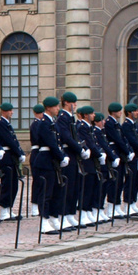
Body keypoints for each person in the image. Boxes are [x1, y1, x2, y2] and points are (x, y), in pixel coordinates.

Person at [32, 96, 69, 234]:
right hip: (46, 161)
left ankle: (54, 218)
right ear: (48, 108)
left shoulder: (53, 122)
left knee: (55, 191)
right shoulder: (43, 123)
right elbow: (51, 143)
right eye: (56, 106)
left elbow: (57, 142)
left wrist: (62, 156)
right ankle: (44, 222)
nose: (58, 109)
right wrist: (61, 156)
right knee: (46, 193)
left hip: (53, 160)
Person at [55, 91, 86, 229]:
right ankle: (63, 214)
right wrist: (79, 149)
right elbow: (66, 137)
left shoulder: (70, 118)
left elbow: (75, 135)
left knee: (74, 186)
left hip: (73, 154)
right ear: (66, 103)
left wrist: (81, 147)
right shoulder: (62, 117)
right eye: (73, 103)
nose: (75, 105)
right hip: (68, 152)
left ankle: (70, 214)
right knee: (67, 187)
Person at [0, 102, 25, 220]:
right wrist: (18, 152)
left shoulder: (7, 124)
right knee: (7, 184)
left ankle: (9, 208)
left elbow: (15, 141)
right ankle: (4, 210)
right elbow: (9, 141)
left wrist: (20, 152)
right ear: (4, 111)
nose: (12, 112)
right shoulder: (1, 124)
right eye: (10, 111)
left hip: (12, 157)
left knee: (13, 184)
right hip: (6, 157)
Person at [103, 102, 132, 217]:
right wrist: (126, 150)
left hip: (120, 153)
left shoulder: (116, 124)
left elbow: (122, 138)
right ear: (114, 112)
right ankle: (111, 207)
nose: (121, 112)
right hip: (115, 151)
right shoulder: (109, 123)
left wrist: (128, 150)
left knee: (119, 181)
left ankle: (116, 205)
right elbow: (117, 139)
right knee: (114, 182)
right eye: (119, 111)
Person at [121, 103, 138, 215]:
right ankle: (127, 203)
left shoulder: (133, 125)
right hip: (132, 156)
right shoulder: (126, 125)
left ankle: (133, 202)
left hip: (137, 157)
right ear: (129, 112)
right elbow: (132, 140)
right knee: (131, 180)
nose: (137, 113)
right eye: (135, 111)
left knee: (137, 179)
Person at [92, 112, 120, 222]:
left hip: (105, 162)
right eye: (101, 120)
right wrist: (112, 157)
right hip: (100, 162)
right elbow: (102, 146)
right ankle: (96, 209)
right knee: (99, 188)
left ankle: (100, 209)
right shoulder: (96, 132)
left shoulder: (101, 132)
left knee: (103, 187)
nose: (103, 122)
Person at [28, 104, 45, 216]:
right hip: (36, 153)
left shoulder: (41, 123)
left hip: (40, 153)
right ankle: (35, 205)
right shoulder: (35, 124)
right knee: (37, 181)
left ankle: (39, 203)